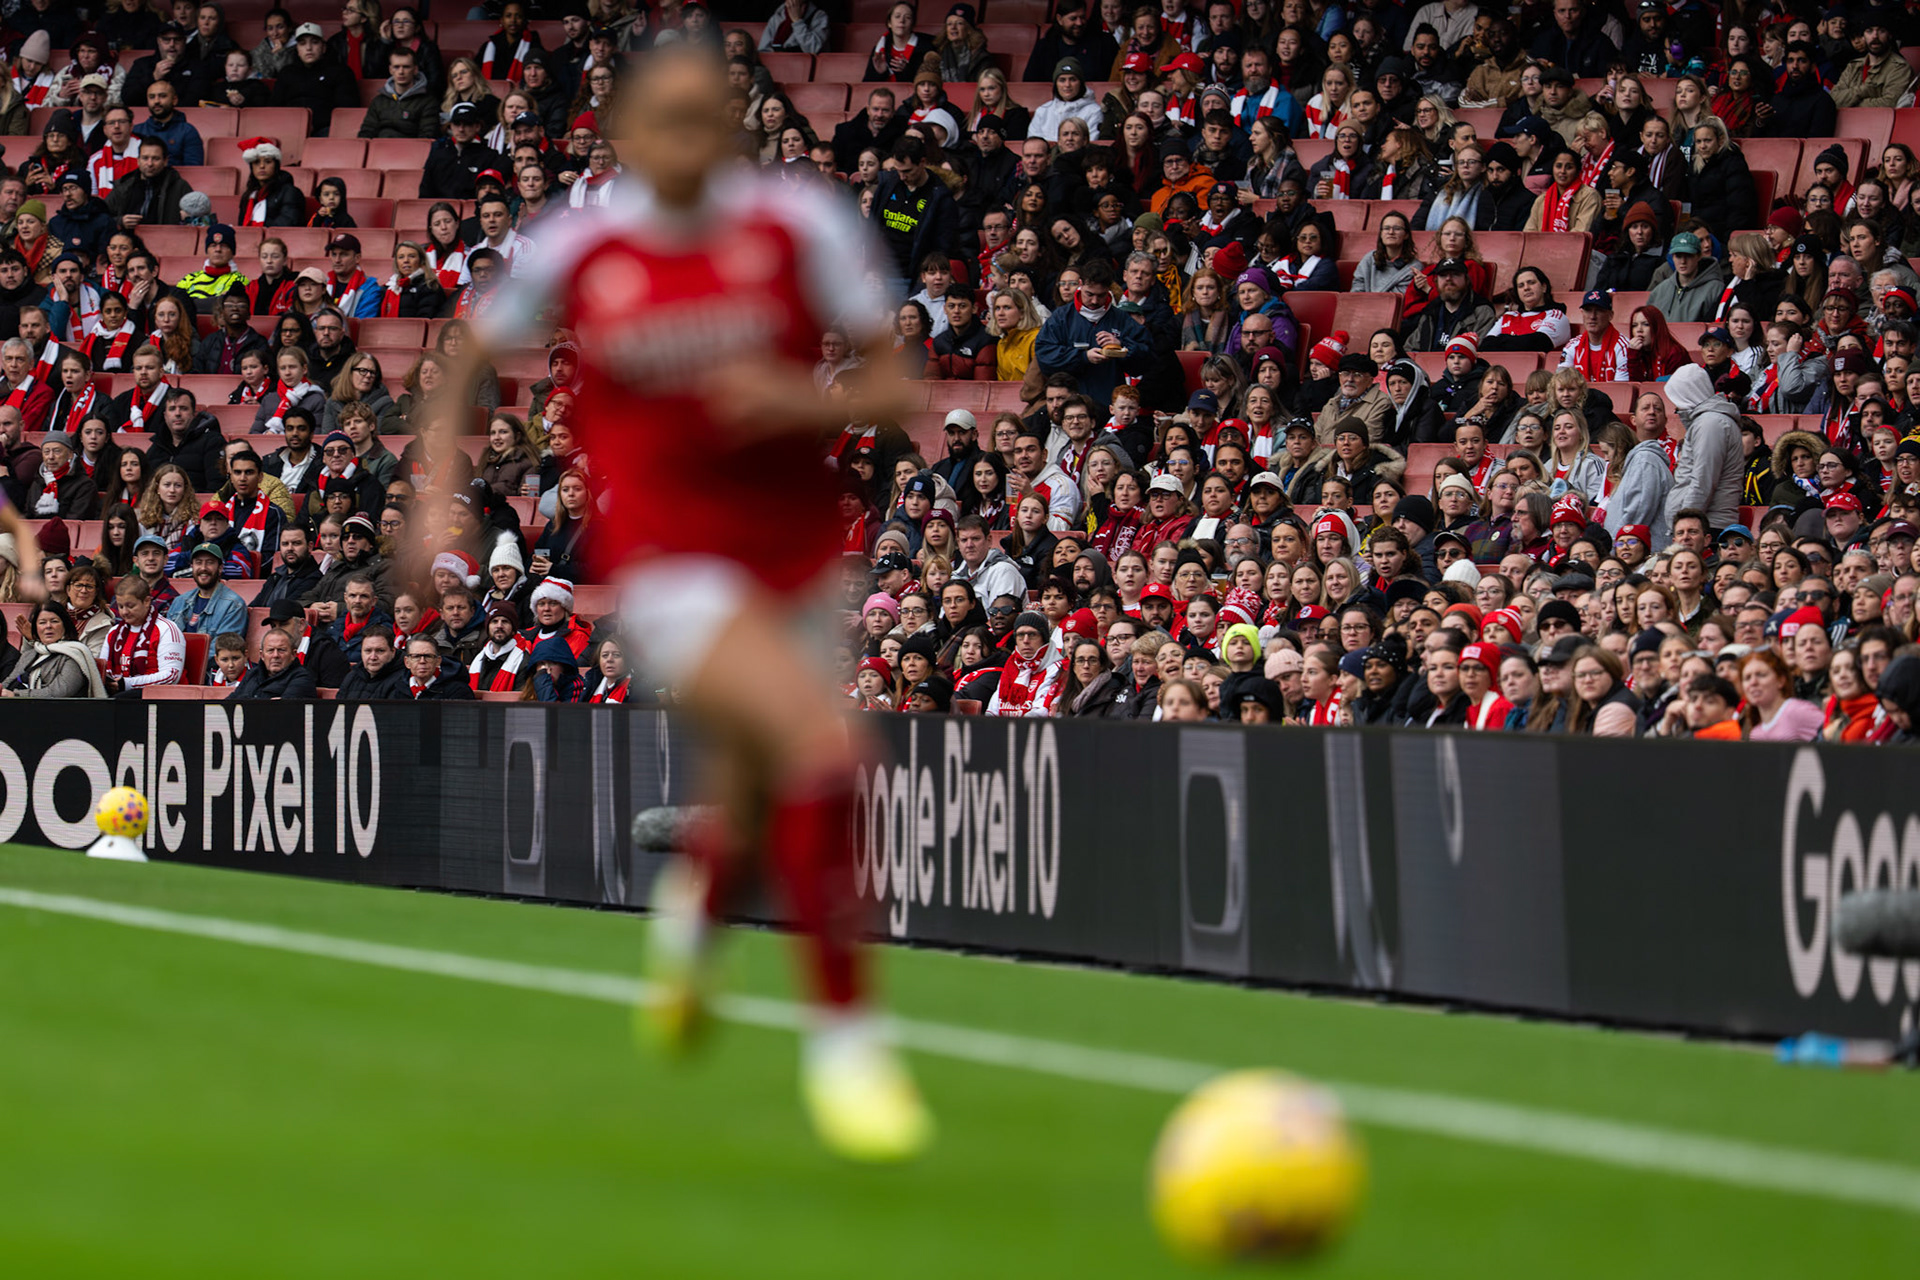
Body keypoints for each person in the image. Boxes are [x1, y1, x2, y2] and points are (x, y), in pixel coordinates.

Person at [475, 48, 929, 1160]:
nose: (684, 139)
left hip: (795, 547)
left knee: (762, 783)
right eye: (660, 121)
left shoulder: (797, 224)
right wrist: (431, 502)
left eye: (702, 118)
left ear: (729, 125)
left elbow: (894, 386)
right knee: (829, 754)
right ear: (624, 133)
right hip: (667, 554)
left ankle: (689, 922)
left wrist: (796, 395)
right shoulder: (580, 243)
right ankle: (848, 1043)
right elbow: (464, 360)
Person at [99, 575, 184, 695]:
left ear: (146, 601)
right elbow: (104, 668)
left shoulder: (167, 629)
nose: (124, 612)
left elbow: (171, 676)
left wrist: (127, 684)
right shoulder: (114, 632)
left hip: (157, 697)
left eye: (130, 606)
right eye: (120, 606)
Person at [225, 626, 319, 700]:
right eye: (270, 650)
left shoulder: (302, 678)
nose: (275, 655)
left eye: (281, 650)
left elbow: (281, 711)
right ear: (262, 655)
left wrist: (244, 701)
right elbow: (229, 704)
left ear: (293, 654)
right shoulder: (251, 674)